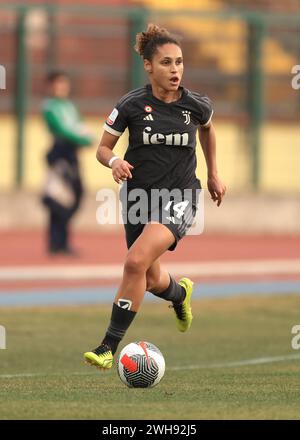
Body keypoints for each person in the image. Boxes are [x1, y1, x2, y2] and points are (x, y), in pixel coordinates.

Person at [84, 24, 226, 369]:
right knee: (148, 277)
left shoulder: (196, 105)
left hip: (180, 195)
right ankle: (180, 294)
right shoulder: (131, 104)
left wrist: (213, 173)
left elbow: (207, 129)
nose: (175, 69)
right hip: (137, 198)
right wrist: (115, 161)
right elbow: (103, 149)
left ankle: (107, 347)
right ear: (148, 66)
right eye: (166, 63)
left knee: (134, 262)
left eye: (179, 62)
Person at [41, 70, 94, 255]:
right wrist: (82, 140)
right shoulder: (50, 107)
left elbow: (80, 126)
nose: (62, 87)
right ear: (50, 86)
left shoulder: (70, 106)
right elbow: (62, 130)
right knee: (58, 199)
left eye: (64, 83)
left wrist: (86, 137)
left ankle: (60, 240)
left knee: (76, 194)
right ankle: (57, 243)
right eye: (57, 84)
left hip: (72, 155)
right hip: (60, 154)